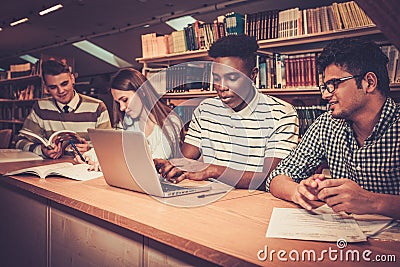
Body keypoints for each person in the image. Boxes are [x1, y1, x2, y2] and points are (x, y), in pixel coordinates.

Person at [267, 38, 399, 218]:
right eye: (324, 86)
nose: (325, 94)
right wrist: (299, 191)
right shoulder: (327, 123)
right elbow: (277, 177)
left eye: (333, 85)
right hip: (343, 237)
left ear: (369, 82)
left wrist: (372, 201)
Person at [155, 35, 299, 190]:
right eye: (216, 78)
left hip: (255, 202)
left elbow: (270, 179)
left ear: (253, 75)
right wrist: (171, 166)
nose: (221, 87)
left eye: (232, 78)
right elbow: (185, 160)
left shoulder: (282, 114)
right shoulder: (205, 110)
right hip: (209, 197)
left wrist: (214, 171)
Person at [76, 68, 184, 169]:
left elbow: (154, 161)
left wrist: (111, 164)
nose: (122, 108)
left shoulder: (170, 122)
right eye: (118, 102)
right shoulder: (128, 123)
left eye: (125, 100)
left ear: (142, 92)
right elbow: (113, 148)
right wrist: (87, 156)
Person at [15, 59, 111, 159]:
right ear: (46, 88)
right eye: (53, 87)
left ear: (73, 79)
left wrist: (91, 150)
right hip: (52, 168)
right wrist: (42, 150)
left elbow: (110, 146)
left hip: (86, 169)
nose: (60, 91)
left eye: (64, 84)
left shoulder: (97, 107)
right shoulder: (40, 107)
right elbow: (19, 141)